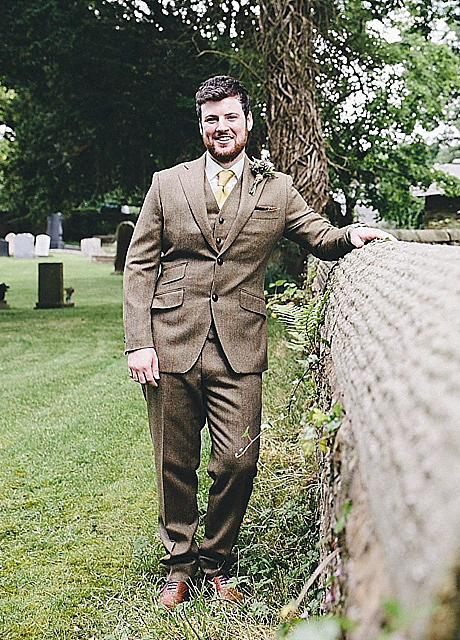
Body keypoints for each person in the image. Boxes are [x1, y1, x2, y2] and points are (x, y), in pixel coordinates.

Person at [123, 75, 391, 608]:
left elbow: (319, 235)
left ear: (248, 122)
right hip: (171, 338)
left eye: (229, 117)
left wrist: (352, 236)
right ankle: (178, 562)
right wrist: (139, 342)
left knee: (239, 460)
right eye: (210, 119)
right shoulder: (166, 184)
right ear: (201, 127)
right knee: (173, 462)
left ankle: (219, 560)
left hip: (240, 345)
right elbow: (140, 264)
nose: (220, 127)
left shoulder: (278, 190)